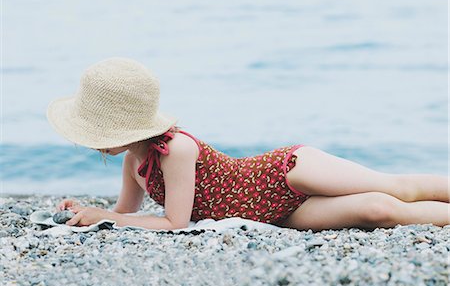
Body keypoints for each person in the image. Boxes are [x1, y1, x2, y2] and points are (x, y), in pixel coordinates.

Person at [48, 57, 449, 231]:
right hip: (273, 216)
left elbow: (174, 223)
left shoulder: (177, 149)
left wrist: (109, 217)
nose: (96, 144)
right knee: (379, 211)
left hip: (285, 173)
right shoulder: (134, 164)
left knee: (394, 188)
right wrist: (90, 212)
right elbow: (123, 214)